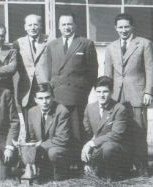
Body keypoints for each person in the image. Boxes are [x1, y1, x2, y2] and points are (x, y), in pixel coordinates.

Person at [102, 13, 153, 176]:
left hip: (137, 94)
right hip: (117, 96)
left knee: (139, 131)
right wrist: (107, 95)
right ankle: (123, 165)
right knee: (118, 131)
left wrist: (148, 91)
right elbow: (107, 74)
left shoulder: (144, 44)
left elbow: (151, 69)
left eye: (126, 27)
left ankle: (141, 166)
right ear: (115, 28)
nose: (123, 30)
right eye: (120, 27)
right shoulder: (110, 47)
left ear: (132, 27)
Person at [44, 13, 98, 168]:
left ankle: (78, 162)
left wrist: (84, 91)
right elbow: (50, 72)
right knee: (60, 129)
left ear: (75, 25)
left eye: (69, 24)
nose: (66, 27)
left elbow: (92, 71)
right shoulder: (52, 45)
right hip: (57, 95)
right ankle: (60, 162)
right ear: (59, 27)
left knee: (77, 129)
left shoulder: (85, 43)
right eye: (63, 24)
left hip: (77, 95)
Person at [81, 76, 130, 182]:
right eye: (98, 92)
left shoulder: (119, 109)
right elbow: (87, 131)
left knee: (108, 147)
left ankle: (111, 175)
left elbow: (116, 135)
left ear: (111, 92)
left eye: (105, 91)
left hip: (114, 148)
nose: (101, 95)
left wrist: (91, 143)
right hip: (97, 148)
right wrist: (86, 159)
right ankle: (95, 167)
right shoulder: (90, 107)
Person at [25, 83, 72, 181]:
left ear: (53, 97)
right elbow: (32, 137)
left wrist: (40, 145)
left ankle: (60, 176)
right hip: (42, 147)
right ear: (35, 99)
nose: (44, 102)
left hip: (59, 148)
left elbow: (62, 139)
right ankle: (37, 172)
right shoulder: (31, 111)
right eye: (40, 98)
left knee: (53, 152)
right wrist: (31, 150)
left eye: (47, 98)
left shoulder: (62, 111)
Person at [12, 14, 51, 125]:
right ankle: (29, 140)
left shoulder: (49, 41)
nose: (32, 28)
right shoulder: (18, 43)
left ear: (40, 26)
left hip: (44, 87)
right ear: (25, 27)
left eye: (35, 24)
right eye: (29, 25)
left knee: (46, 119)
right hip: (26, 88)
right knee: (28, 119)